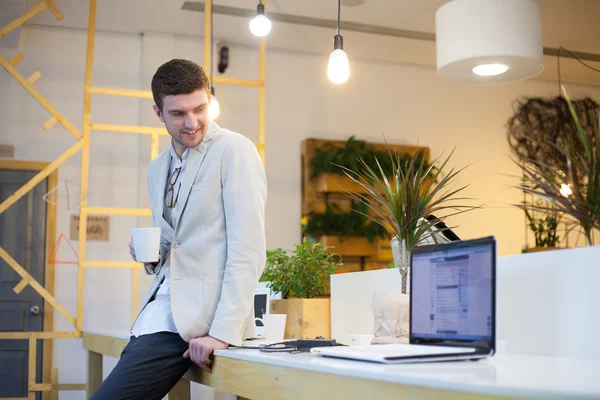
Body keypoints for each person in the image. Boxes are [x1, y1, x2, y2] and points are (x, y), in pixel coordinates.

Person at [91, 59, 267, 399]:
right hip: (154, 314)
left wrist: (222, 332)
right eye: (178, 114)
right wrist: (152, 257)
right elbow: (178, 247)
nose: (192, 123)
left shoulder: (234, 150)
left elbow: (247, 250)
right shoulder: (157, 168)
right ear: (158, 113)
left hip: (193, 324)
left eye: (200, 109)